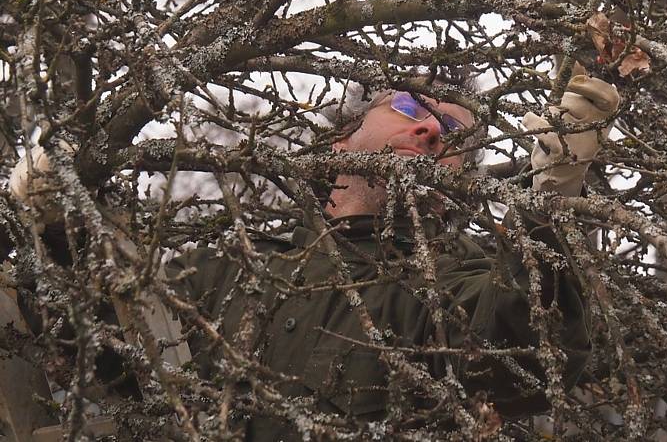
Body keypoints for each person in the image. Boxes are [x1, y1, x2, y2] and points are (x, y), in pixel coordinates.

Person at [8, 71, 619, 440]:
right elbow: (95, 340)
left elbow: (532, 344)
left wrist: (551, 202)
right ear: (343, 139)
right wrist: (53, 227)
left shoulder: (449, 288)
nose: (432, 132)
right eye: (410, 110)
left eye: (457, 139)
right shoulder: (226, 271)